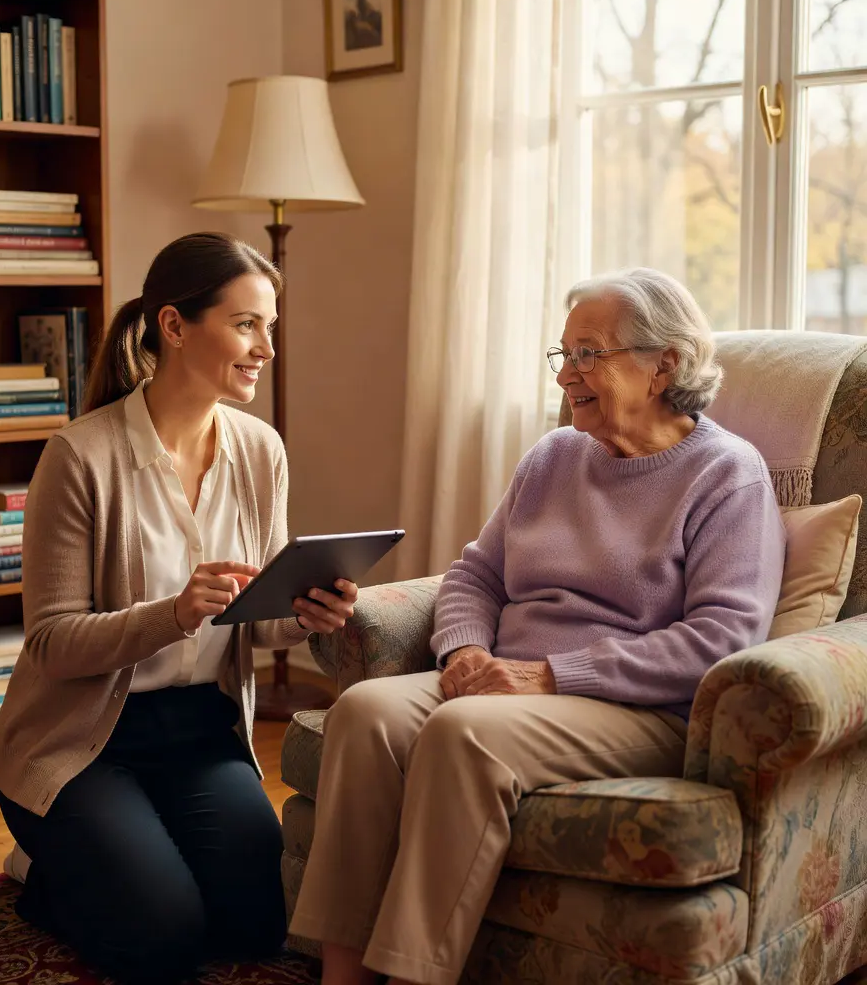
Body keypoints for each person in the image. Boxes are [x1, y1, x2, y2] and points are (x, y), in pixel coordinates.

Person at [290, 267, 786, 985]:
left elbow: (723, 639)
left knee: (463, 733)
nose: (566, 375)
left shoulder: (727, 475)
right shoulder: (554, 457)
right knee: (365, 712)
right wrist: (464, 650)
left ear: (664, 366)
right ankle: (343, 977)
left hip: (635, 706)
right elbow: (475, 575)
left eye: (589, 354)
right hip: (506, 682)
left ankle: (412, 975)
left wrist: (551, 675)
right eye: (563, 354)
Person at [0, 232, 359, 985]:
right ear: (174, 325)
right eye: (246, 324)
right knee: (163, 938)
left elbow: (257, 619)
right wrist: (173, 613)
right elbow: (51, 645)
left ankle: (124, 855)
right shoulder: (79, 456)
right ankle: (46, 867)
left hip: (201, 733)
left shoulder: (260, 450)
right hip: (82, 743)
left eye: (269, 327)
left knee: (260, 923)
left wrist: (305, 612)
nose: (266, 349)